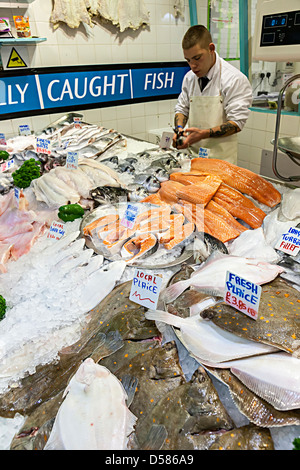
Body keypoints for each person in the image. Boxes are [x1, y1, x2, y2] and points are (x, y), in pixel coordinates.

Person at [173, 25, 253, 164]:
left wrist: (203, 134)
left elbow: (236, 123)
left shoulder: (234, 79)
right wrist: (179, 130)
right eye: (188, 60)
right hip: (193, 158)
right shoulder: (189, 78)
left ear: (211, 48)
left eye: (197, 58)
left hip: (222, 161)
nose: (193, 66)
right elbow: (182, 109)